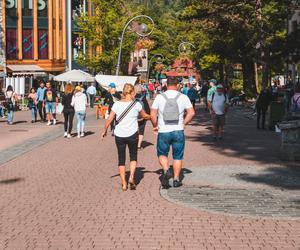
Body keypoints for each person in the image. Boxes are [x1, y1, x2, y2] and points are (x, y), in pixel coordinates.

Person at [102, 84, 150, 191]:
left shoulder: (116, 104)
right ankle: (131, 177)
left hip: (119, 135)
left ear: (124, 93)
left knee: (121, 158)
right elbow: (144, 115)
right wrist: (152, 116)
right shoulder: (136, 104)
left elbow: (109, 119)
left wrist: (104, 130)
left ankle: (124, 182)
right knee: (133, 157)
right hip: (132, 134)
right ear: (132, 93)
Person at [150, 77, 195, 189]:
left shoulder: (159, 97)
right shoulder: (183, 97)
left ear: (166, 85)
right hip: (178, 130)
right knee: (177, 156)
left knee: (162, 154)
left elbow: (152, 115)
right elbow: (191, 113)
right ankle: (176, 179)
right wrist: (184, 123)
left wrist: (155, 126)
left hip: (164, 130)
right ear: (178, 85)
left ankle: (166, 170)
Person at [135, 84, 151, 150]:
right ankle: (139, 145)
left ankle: (133, 143)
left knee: (134, 130)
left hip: (134, 117)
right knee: (141, 131)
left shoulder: (131, 98)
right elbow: (147, 109)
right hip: (142, 117)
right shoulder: (143, 98)